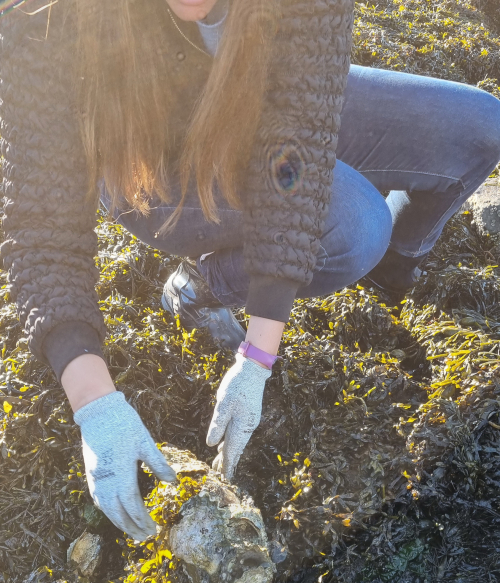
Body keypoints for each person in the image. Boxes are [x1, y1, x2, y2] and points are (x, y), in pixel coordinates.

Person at [2, 0, 500, 543]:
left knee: (479, 126)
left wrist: (259, 354)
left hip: (263, 89)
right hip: (152, 157)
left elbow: (299, 131)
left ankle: (394, 264)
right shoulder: (46, 15)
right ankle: (201, 287)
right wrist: (94, 404)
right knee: (353, 224)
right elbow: (40, 230)